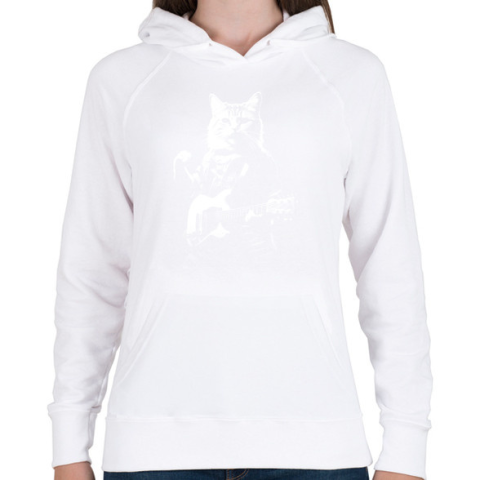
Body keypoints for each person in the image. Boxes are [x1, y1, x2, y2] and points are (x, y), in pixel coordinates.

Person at [47, 1, 434, 480]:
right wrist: (69, 442)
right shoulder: (122, 80)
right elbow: (92, 270)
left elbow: (390, 266)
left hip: (314, 443)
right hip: (155, 443)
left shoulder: (351, 75)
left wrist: (406, 448)